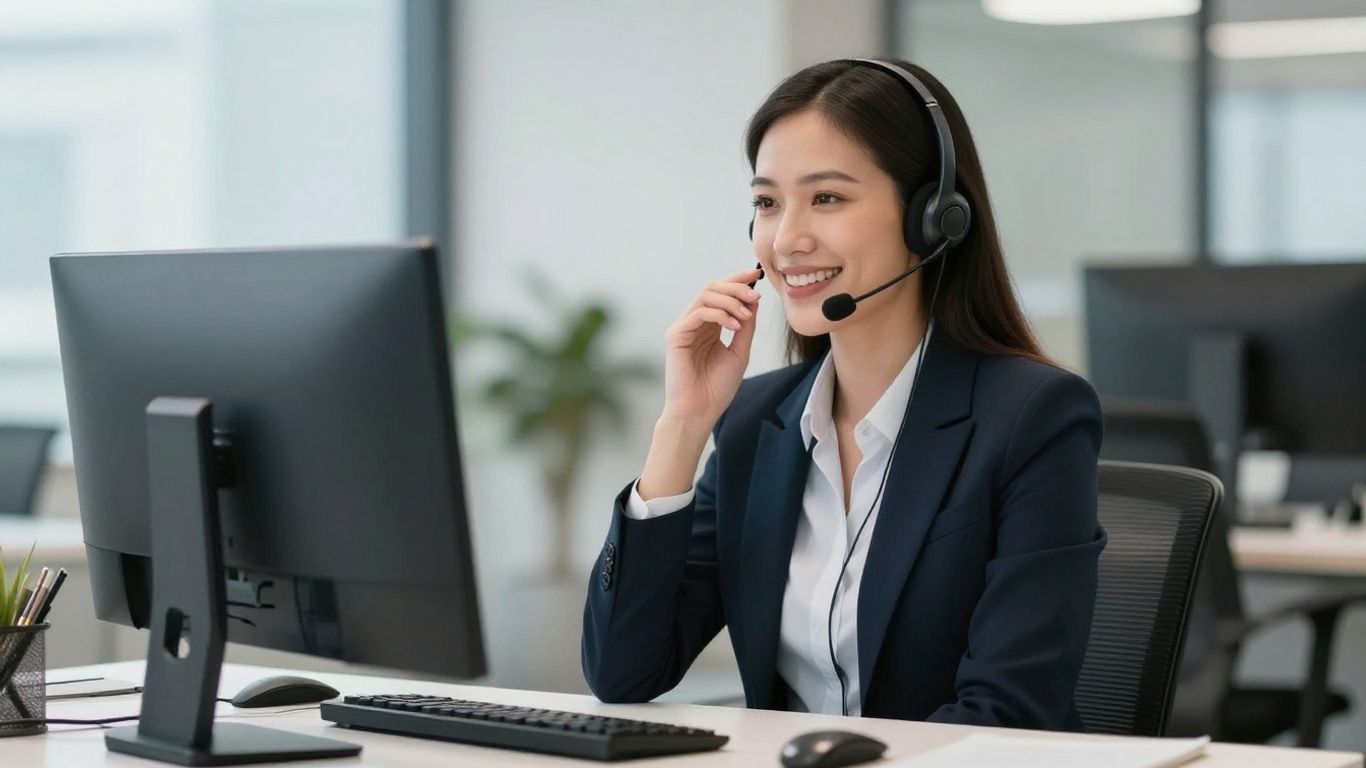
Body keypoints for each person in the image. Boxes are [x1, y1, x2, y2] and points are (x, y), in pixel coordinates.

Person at [581, 57, 1105, 731]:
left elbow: (1009, 712)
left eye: (826, 198)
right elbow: (624, 673)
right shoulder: (754, 423)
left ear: (932, 218)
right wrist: (682, 424)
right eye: (768, 203)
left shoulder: (1032, 417)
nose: (787, 239)